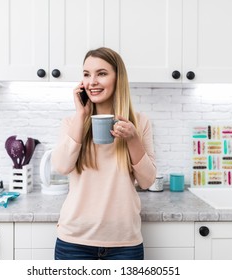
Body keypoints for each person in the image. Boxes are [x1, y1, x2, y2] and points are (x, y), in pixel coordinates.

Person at [51, 47, 156, 260]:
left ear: (118, 78)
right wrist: (82, 115)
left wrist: (133, 139)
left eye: (101, 73)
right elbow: (61, 167)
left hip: (125, 242)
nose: (92, 82)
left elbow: (147, 181)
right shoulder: (72, 122)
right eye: (87, 74)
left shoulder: (139, 122)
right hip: (74, 241)